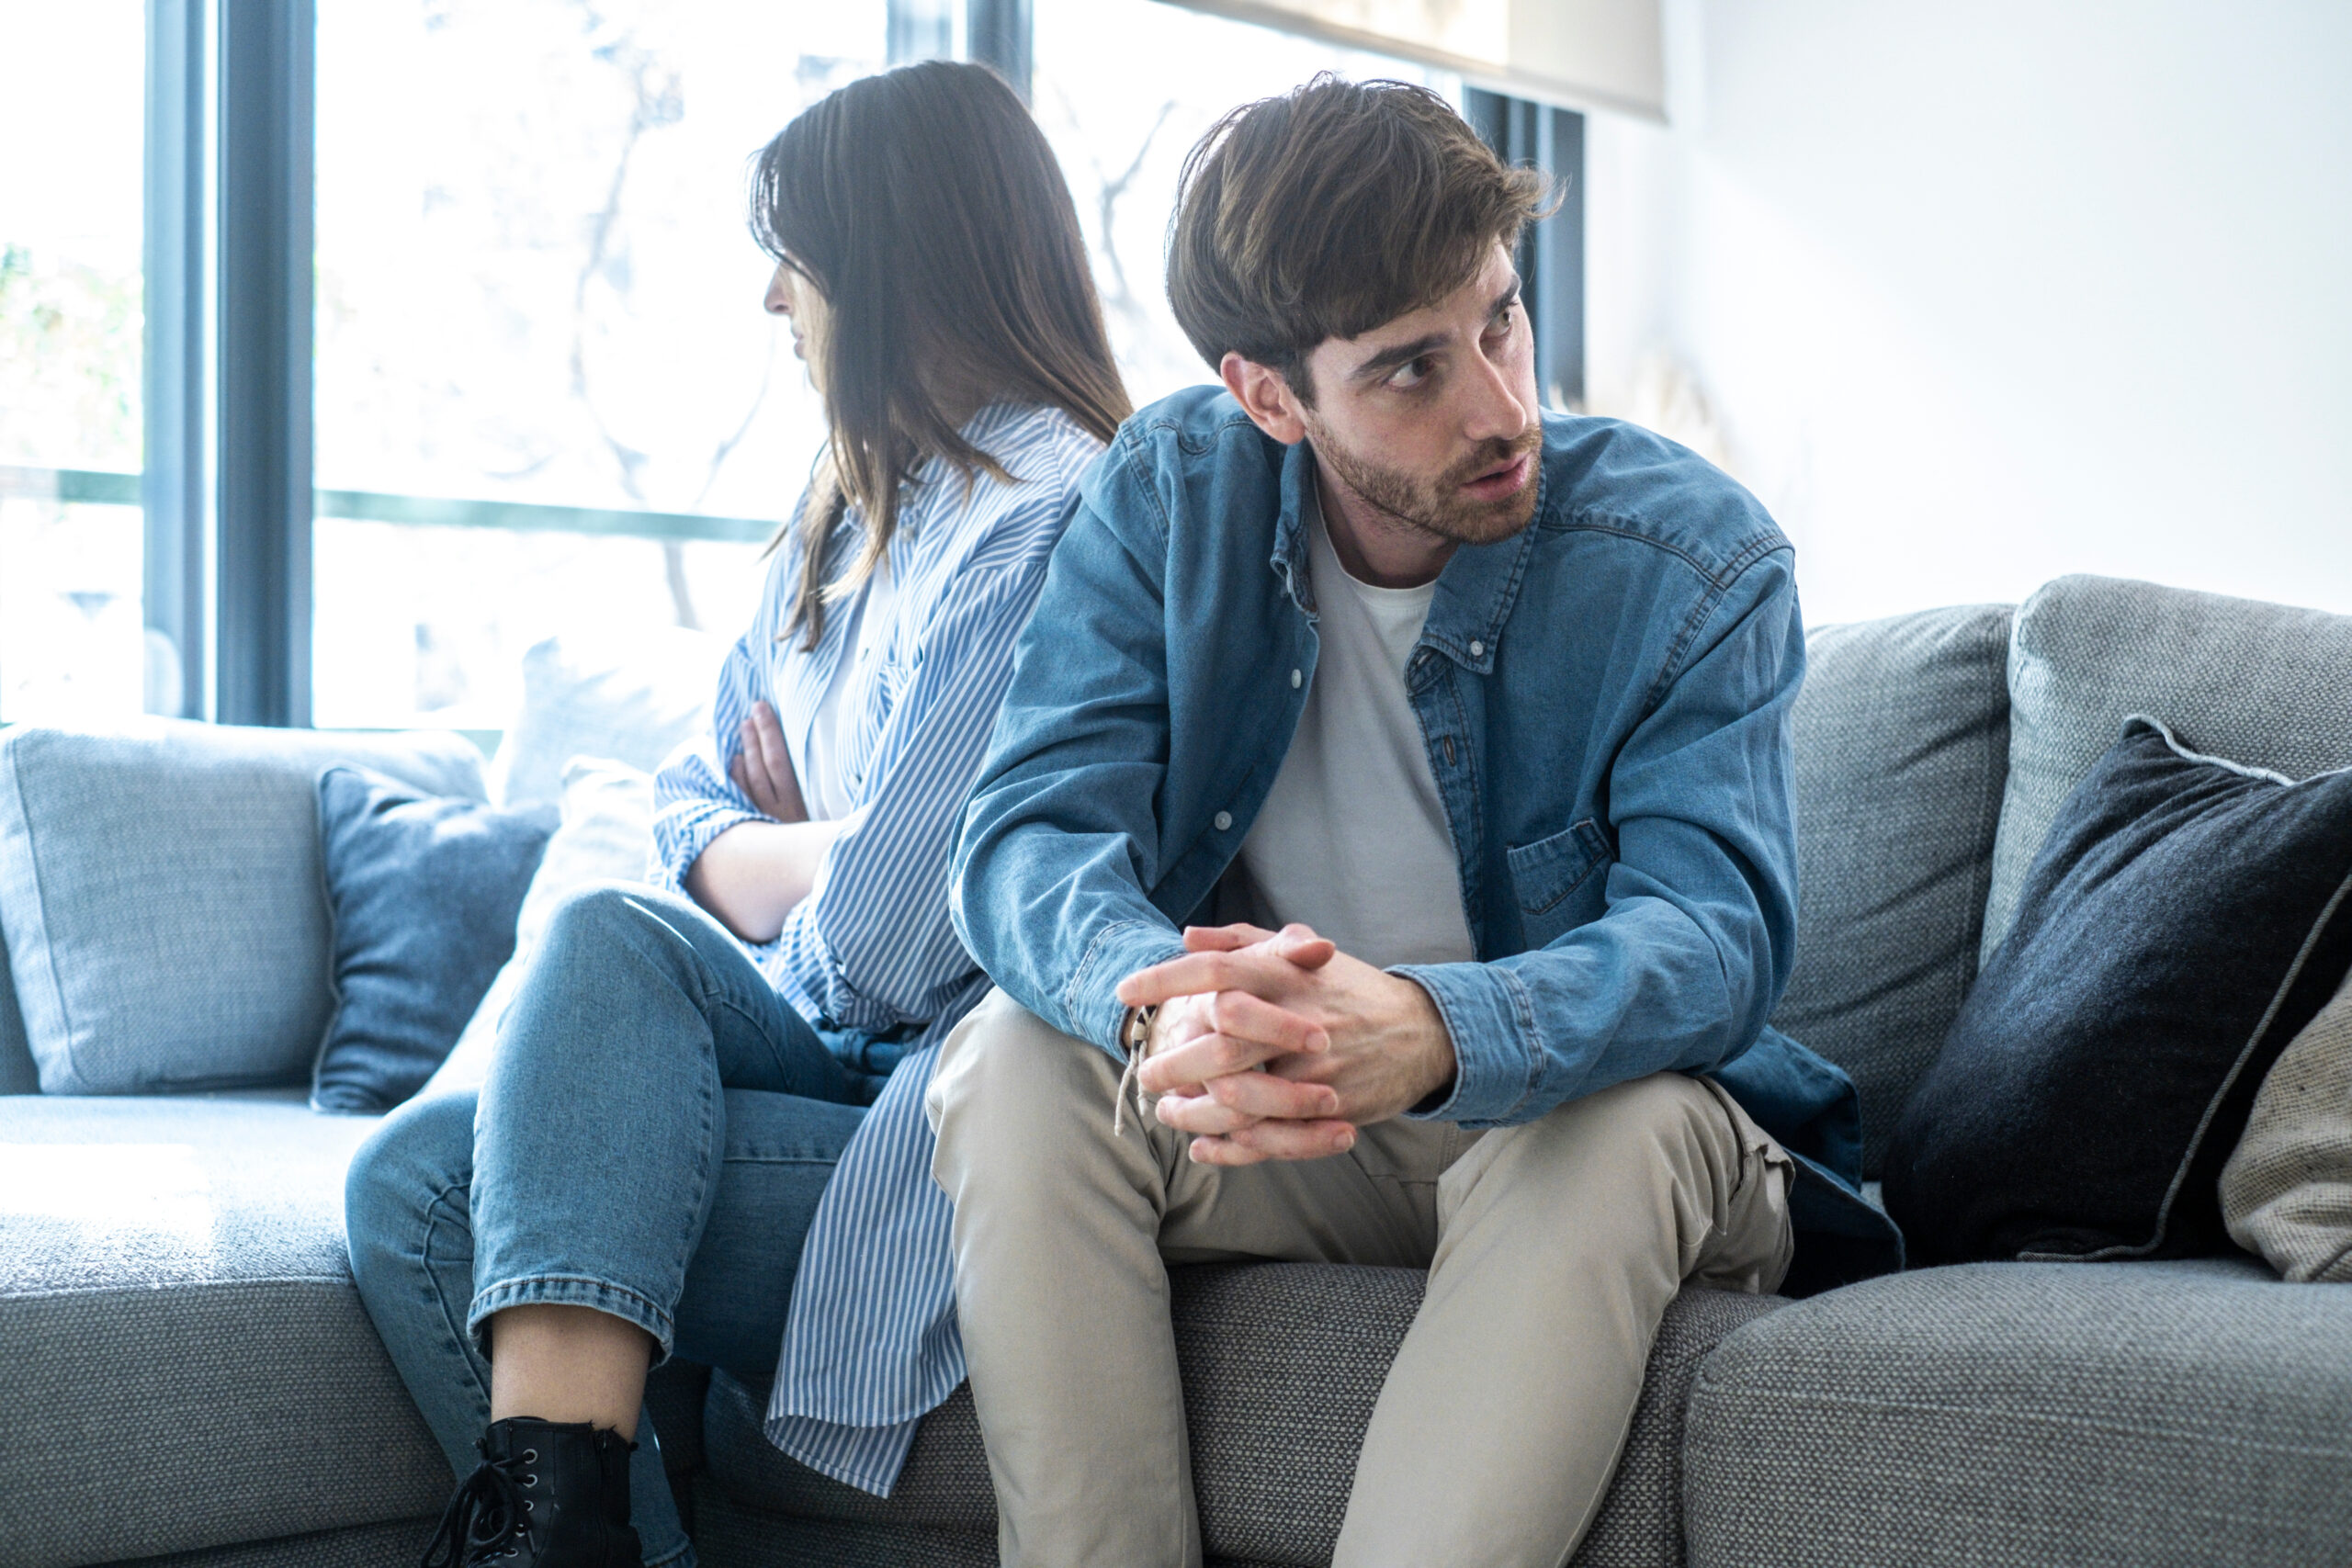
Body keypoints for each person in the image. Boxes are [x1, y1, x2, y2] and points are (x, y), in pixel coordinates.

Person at [930, 75, 1893, 1567]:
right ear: (1269, 396)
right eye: (1411, 369)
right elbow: (1024, 836)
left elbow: (1715, 943)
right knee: (1007, 1061)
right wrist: (1163, 1016)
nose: (1503, 407)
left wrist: (1440, 1032)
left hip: (1589, 1122)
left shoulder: (1692, 554)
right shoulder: (1169, 497)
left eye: (1501, 320)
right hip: (1304, 1124)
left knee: (1613, 1120)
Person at [344, 60, 1127, 1568]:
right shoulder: (835, 521)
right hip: (805, 1053)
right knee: (453, 1118)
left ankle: (557, 1538)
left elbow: (895, 954)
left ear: (898, 262)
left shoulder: (1052, 516)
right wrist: (832, 840)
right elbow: (686, 799)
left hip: (940, 1110)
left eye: (800, 256)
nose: (777, 300)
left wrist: (798, 869)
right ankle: (567, 1537)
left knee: (459, 1155)